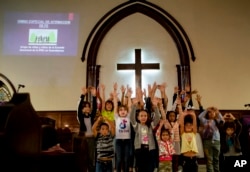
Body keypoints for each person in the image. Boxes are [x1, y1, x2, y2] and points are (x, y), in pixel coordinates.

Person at [130, 96, 160, 172]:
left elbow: (157, 119)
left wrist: (156, 107)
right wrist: (134, 106)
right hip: (140, 150)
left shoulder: (150, 126)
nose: (143, 117)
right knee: (140, 168)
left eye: (145, 116)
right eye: (141, 116)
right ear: (138, 117)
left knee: (149, 168)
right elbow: (131, 118)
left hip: (150, 150)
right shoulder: (137, 126)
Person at [76, 86, 97, 172]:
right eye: (85, 107)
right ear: (82, 109)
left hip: (91, 139)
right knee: (83, 157)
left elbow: (95, 108)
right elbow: (79, 107)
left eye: (88, 106)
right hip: (83, 139)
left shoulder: (91, 116)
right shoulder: (80, 116)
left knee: (91, 158)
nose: (87, 108)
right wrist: (82, 95)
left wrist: (94, 96)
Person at [113, 86, 133, 172]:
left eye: (124, 110)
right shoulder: (117, 117)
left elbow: (129, 106)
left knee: (126, 159)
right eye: (120, 110)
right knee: (119, 159)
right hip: (118, 141)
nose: (123, 111)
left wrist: (128, 95)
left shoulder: (128, 117)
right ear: (118, 112)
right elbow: (115, 105)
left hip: (127, 141)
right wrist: (114, 94)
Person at [198, 106, 224, 172]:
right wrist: (206, 110)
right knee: (209, 159)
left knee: (216, 159)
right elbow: (200, 117)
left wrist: (217, 111)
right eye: (209, 113)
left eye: (213, 112)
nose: (211, 113)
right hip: (207, 141)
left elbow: (222, 120)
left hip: (216, 141)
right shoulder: (205, 121)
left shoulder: (217, 121)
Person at [179, 108, 199, 172]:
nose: (188, 126)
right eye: (187, 125)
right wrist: (183, 115)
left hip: (194, 158)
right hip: (186, 158)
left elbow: (195, 124)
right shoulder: (183, 133)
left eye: (190, 125)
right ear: (184, 126)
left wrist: (193, 115)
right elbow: (181, 124)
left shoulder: (193, 133)